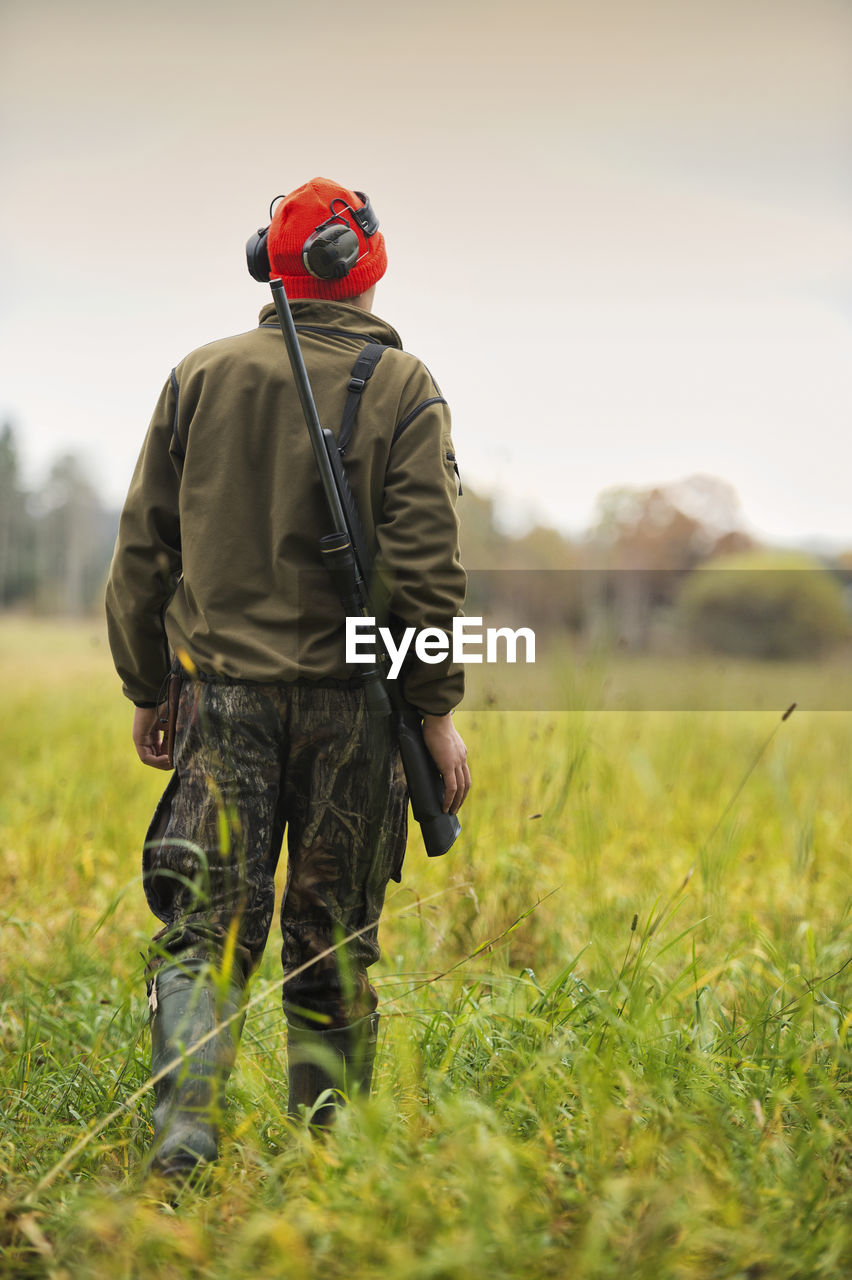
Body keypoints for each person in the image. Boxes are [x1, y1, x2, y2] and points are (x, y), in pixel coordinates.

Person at [105, 177, 470, 1178]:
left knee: (203, 932)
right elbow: (428, 574)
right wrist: (433, 712)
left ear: (269, 261)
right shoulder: (406, 388)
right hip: (356, 710)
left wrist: (150, 685)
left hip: (220, 706)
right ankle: (330, 1162)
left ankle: (186, 1130)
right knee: (333, 937)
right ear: (369, 264)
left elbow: (143, 552)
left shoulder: (200, 375)